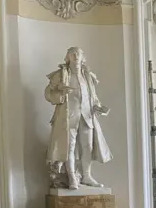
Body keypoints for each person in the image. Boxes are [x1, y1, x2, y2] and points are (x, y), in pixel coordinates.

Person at [45, 47, 112, 190]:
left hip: (87, 116)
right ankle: (72, 178)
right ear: (67, 57)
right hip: (68, 117)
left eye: (79, 54)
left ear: (83, 57)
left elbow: (92, 97)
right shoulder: (60, 75)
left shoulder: (88, 76)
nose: (76, 56)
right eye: (72, 54)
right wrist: (61, 93)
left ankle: (86, 176)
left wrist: (97, 107)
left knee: (87, 146)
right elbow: (49, 94)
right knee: (69, 146)